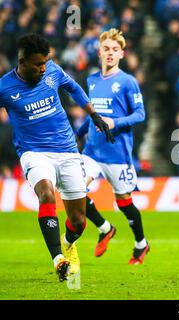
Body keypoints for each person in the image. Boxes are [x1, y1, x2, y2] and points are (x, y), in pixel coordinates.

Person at [0, 34, 114, 282]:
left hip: (67, 151)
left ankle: (67, 242)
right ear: (22, 61)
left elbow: (73, 88)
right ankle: (57, 259)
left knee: (78, 221)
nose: (42, 68)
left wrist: (94, 115)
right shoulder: (5, 88)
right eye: (37, 64)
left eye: (44, 63)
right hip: (34, 153)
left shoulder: (52, 70)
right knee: (47, 195)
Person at [77, 28, 149, 264]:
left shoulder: (128, 82)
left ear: (122, 54)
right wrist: (77, 134)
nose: (110, 53)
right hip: (92, 151)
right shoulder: (92, 81)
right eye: (106, 49)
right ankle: (105, 227)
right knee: (75, 189)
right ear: (99, 52)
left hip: (117, 154)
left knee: (124, 202)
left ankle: (141, 244)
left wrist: (114, 122)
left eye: (115, 50)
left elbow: (140, 114)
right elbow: (92, 116)